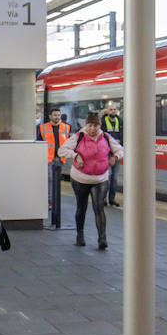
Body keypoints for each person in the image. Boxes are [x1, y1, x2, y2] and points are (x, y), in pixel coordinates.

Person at [58, 112, 124, 250]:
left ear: (99, 126)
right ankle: (80, 235)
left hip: (100, 178)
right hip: (80, 178)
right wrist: (75, 156)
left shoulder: (105, 137)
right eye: (89, 125)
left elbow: (120, 149)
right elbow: (62, 150)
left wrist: (115, 157)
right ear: (86, 125)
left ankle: (102, 239)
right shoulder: (79, 136)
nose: (92, 129)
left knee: (99, 207)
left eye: (95, 126)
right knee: (81, 208)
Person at [39, 108, 70, 227]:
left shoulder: (66, 127)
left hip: (60, 158)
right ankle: (50, 201)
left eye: (59, 115)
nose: (57, 117)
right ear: (50, 116)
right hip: (48, 158)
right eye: (55, 115)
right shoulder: (42, 127)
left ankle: (54, 201)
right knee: (50, 179)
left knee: (56, 182)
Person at [98, 102, 124, 206]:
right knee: (106, 176)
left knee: (115, 178)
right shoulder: (103, 122)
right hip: (105, 153)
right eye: (111, 109)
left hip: (116, 152)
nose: (113, 111)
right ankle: (103, 198)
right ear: (107, 111)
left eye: (114, 109)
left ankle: (112, 199)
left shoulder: (120, 121)